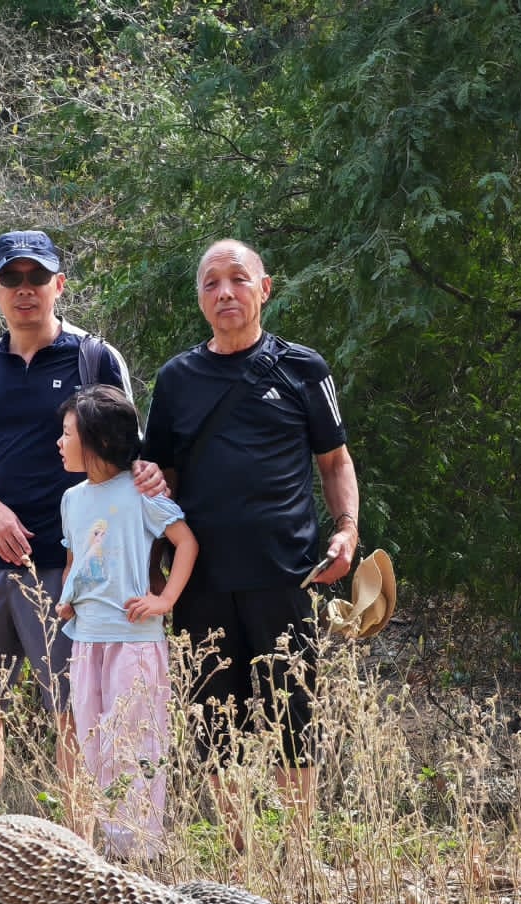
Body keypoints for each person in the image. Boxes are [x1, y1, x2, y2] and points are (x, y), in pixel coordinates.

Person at [140, 239, 360, 812]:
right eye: (211, 284)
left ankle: (298, 854)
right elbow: (158, 476)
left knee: (295, 715)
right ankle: (239, 855)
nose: (225, 293)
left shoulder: (303, 368)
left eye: (238, 280)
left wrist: (347, 528)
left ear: (264, 289)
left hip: (284, 573)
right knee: (215, 725)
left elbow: (335, 461)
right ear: (199, 300)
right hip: (201, 580)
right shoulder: (176, 379)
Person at [0, 229, 132, 818]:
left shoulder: (93, 359)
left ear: (59, 285)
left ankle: (77, 861)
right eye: (13, 278)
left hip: (70, 570)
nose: (26, 290)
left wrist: (97, 556)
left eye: (37, 277)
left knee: (74, 717)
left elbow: (128, 467)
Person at [55, 385, 198, 859]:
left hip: (134, 642)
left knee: (135, 746)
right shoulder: (72, 499)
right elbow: (78, 556)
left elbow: (186, 543)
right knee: (93, 747)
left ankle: (139, 854)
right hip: (86, 641)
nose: (59, 441)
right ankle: (106, 852)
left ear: (96, 441)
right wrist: (68, 599)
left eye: (67, 433)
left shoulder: (140, 493)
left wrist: (166, 600)